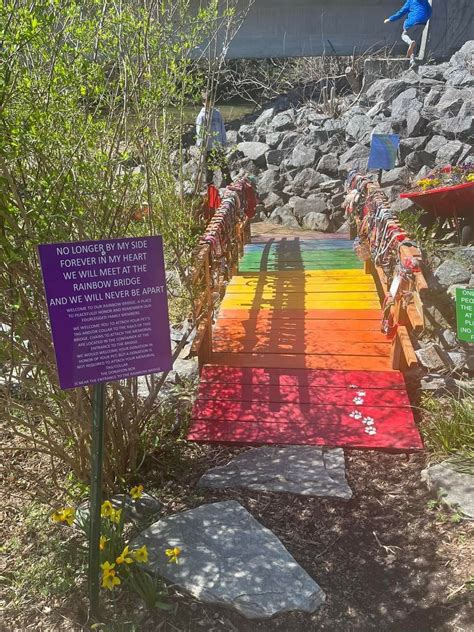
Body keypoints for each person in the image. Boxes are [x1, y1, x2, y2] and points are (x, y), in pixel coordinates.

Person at [195, 91, 231, 186]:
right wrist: (200, 145)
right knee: (209, 170)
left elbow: (222, 128)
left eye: (210, 101)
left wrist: (224, 141)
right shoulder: (201, 116)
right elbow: (199, 132)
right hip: (208, 147)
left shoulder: (217, 113)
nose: (208, 103)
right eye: (206, 101)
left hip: (218, 145)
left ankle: (230, 185)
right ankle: (209, 190)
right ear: (203, 102)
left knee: (224, 167)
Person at [384, 0, 432, 67]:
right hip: (422, 23)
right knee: (414, 42)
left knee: (404, 35)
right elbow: (430, 12)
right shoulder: (425, 1)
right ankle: (412, 61)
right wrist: (424, 19)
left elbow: (401, 12)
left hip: (413, 22)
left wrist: (390, 19)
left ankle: (410, 42)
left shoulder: (410, 1)